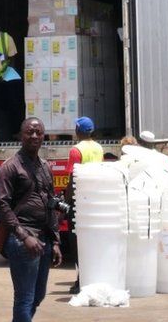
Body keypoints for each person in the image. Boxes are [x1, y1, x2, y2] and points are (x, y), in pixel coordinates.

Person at [0, 117, 62, 322]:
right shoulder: (11, 167)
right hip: (23, 240)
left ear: (44, 136)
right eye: (29, 132)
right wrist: (24, 237)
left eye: (38, 132)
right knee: (24, 298)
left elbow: (50, 203)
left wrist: (56, 240)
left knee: (38, 295)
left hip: (44, 240)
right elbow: (2, 205)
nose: (34, 136)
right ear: (21, 136)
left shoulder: (44, 166)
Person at [64, 116, 104, 294]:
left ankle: (82, 279)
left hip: (79, 199)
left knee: (76, 241)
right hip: (94, 198)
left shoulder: (76, 150)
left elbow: (73, 177)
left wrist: (66, 201)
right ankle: (92, 276)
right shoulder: (98, 147)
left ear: (78, 131)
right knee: (92, 240)